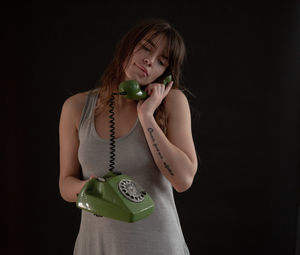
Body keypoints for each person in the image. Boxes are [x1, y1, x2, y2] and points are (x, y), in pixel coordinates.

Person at [59, 18, 198, 255]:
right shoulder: (76, 107)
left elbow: (183, 180)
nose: (149, 61)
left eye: (161, 61)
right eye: (146, 48)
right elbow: (65, 184)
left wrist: (147, 115)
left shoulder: (172, 103)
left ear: (165, 73)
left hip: (157, 246)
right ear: (128, 45)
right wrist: (90, 189)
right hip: (96, 247)